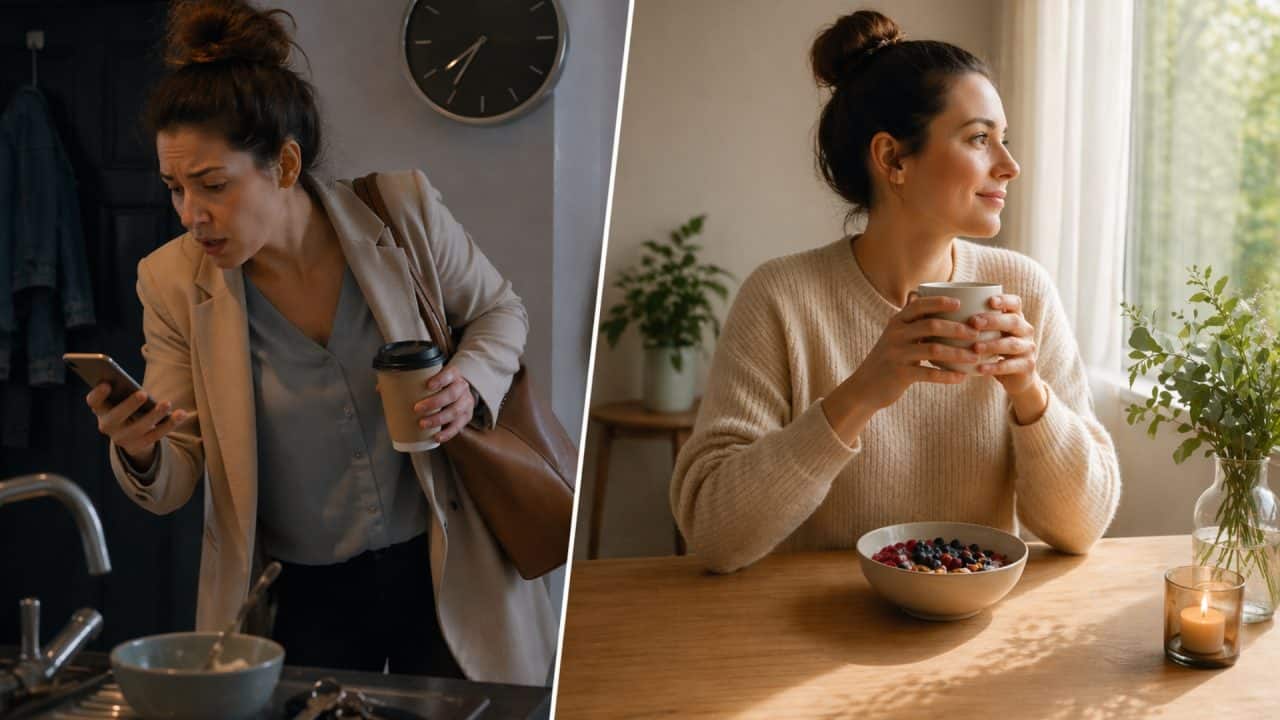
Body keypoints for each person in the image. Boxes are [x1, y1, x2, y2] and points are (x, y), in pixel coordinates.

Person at [83, 0, 555, 685]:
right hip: (301, 597)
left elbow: (499, 311)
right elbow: (177, 468)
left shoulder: (403, 212)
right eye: (174, 188)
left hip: (445, 558)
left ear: (283, 164)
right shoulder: (170, 283)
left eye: (212, 185)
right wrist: (139, 444)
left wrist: (469, 382)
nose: (190, 215)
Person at [670, 10, 1122, 574]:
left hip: (973, 633)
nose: (1010, 166)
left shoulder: (1024, 290)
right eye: (980, 139)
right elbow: (714, 533)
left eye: (1004, 141)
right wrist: (860, 395)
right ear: (892, 159)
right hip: (806, 632)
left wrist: (1031, 395)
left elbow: (1081, 530)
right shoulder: (780, 298)